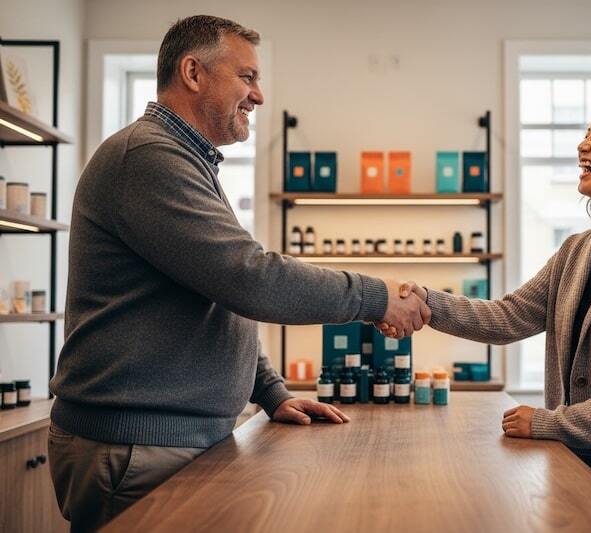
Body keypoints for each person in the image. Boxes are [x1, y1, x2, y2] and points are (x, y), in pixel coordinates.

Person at [47, 15, 429, 532]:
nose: (259, 96)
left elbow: (217, 293)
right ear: (193, 73)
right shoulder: (150, 157)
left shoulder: (185, 161)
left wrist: (270, 391)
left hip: (165, 441)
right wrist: (375, 296)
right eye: (247, 77)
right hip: (136, 445)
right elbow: (250, 280)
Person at [386, 97, 591, 532]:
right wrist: (427, 301)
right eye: (586, 132)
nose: (583, 144)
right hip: (578, 464)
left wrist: (549, 423)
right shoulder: (577, 249)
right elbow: (507, 317)